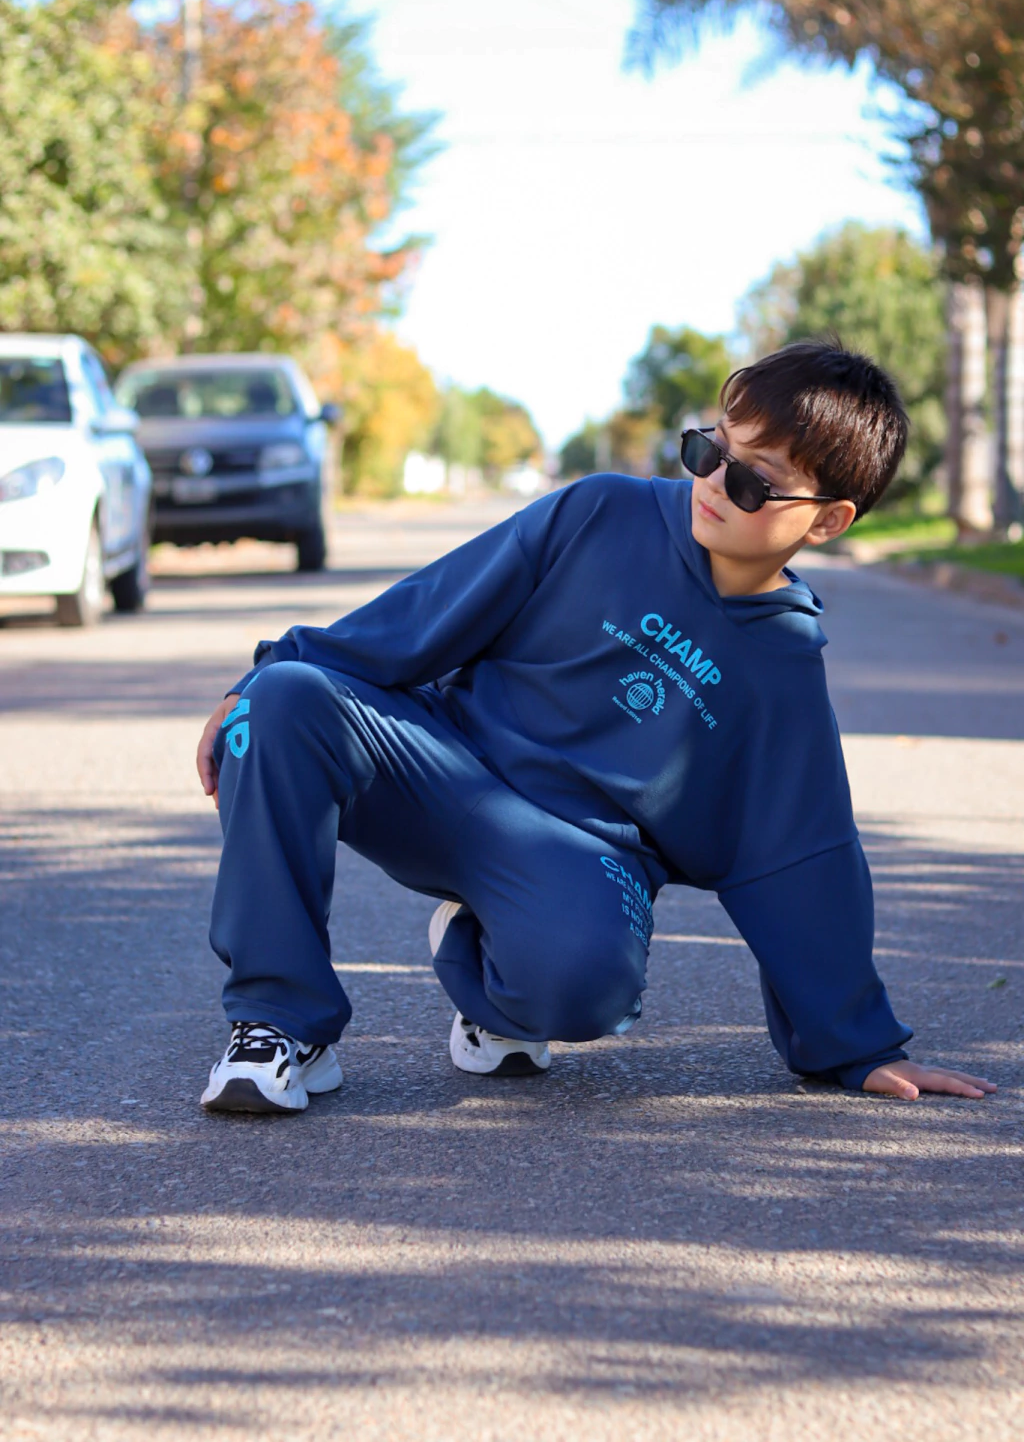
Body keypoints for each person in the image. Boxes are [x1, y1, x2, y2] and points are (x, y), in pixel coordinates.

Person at [195, 339, 996, 1114]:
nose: (716, 483)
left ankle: (487, 965)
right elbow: (427, 607)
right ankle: (279, 1022)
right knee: (283, 699)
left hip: (573, 854)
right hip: (438, 768)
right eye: (711, 450)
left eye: (755, 482)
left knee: (586, 984)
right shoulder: (603, 512)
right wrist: (263, 676)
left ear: (827, 520)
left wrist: (860, 1047)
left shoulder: (782, 670)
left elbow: (804, 858)